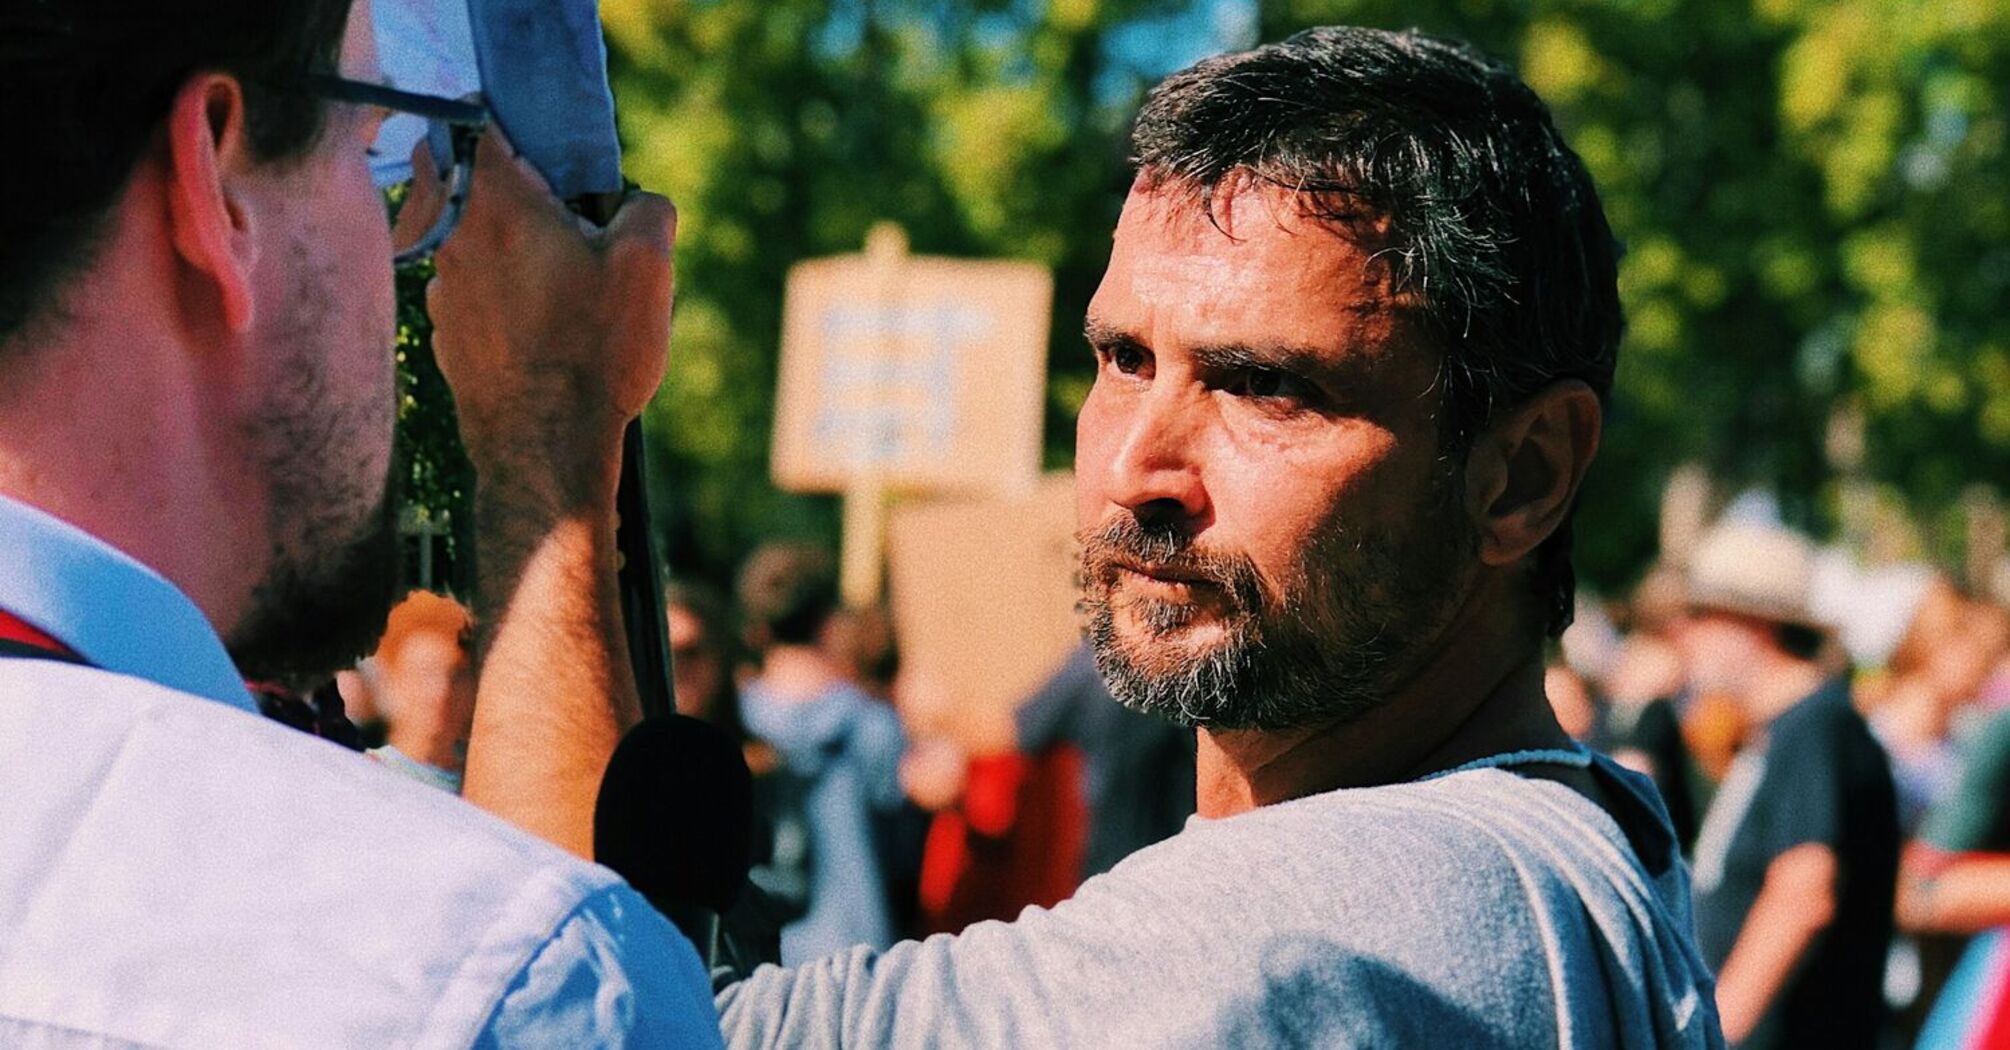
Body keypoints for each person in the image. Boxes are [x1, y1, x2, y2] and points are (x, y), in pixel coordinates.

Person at [470, 26, 1726, 1047]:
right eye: (1124, 359)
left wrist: (541, 421)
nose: (1136, 472)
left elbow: (566, 1024)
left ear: (1527, 475)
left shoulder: (1350, 926)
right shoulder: (1579, 844)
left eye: (1265, 388)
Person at [0, 0, 720, 1042]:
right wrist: (548, 433)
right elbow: (516, 971)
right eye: (375, 148)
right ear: (216, 186)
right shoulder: (493, 980)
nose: (408, 249)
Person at [1674, 521, 1900, 1049]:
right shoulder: (1786, 732)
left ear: (1755, 624)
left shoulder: (1817, 728)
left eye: (1701, 615)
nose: (1684, 635)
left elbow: (1802, 893)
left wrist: (1711, 1035)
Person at [734, 544, 909, 964]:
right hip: (861, 953)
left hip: (762, 956)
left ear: (755, 630)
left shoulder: (736, 725)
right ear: (828, 625)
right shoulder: (873, 724)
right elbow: (901, 845)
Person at [1014, 641, 1195, 880]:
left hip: (1115, 860)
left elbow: (1018, 733)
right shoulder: (1196, 661)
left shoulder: (1094, 663)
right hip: (1183, 860)